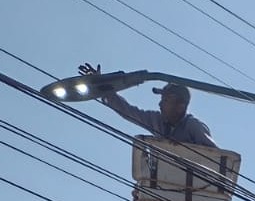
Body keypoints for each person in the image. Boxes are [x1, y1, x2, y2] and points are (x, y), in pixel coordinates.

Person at [78, 63, 217, 148]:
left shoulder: (193, 126)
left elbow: (216, 159)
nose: (160, 104)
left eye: (166, 100)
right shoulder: (158, 121)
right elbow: (129, 111)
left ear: (181, 106)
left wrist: (186, 151)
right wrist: (102, 87)